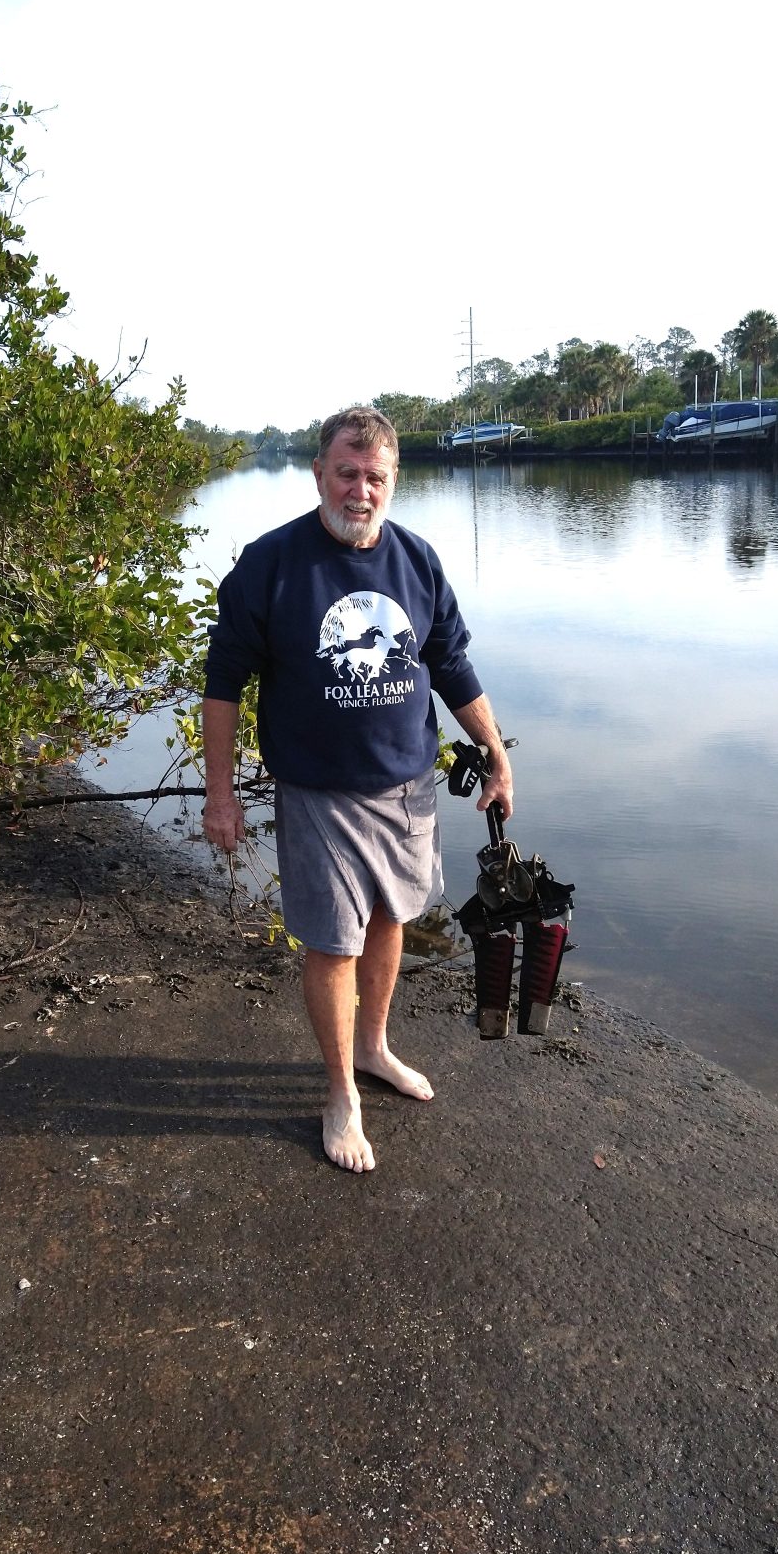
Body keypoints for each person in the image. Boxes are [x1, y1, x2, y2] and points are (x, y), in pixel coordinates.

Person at [201, 407, 512, 1174]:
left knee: (392, 917)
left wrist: (496, 755)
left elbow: (453, 666)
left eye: (376, 477)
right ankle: (340, 1092)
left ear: (394, 480)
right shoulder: (272, 564)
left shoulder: (418, 561)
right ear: (319, 473)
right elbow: (222, 682)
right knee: (334, 941)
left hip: (407, 787)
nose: (361, 491)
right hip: (319, 792)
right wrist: (219, 793)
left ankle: (373, 1047)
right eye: (347, 473)